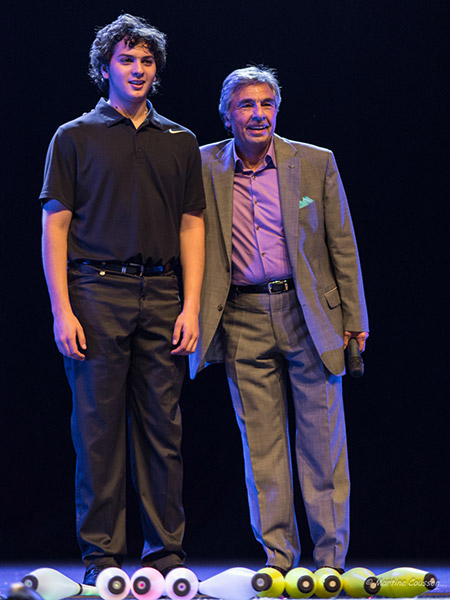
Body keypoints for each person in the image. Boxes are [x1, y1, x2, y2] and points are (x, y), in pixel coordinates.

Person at [40, 14, 205, 584]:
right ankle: (101, 559)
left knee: (164, 430)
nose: (138, 69)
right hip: (95, 292)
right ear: (105, 66)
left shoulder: (180, 140)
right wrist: (62, 309)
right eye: (127, 59)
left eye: (146, 61)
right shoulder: (74, 136)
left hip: (162, 293)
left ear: (157, 70)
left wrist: (191, 305)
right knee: (98, 433)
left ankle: (165, 555)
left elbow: (191, 224)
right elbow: (55, 226)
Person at [190, 66, 369, 574]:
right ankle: (279, 561)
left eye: (266, 104)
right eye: (246, 105)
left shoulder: (314, 161)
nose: (258, 114)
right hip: (241, 315)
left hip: (309, 314)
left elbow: (341, 243)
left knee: (323, 445)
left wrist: (355, 317)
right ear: (227, 114)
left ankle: (330, 562)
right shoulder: (201, 165)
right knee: (262, 449)